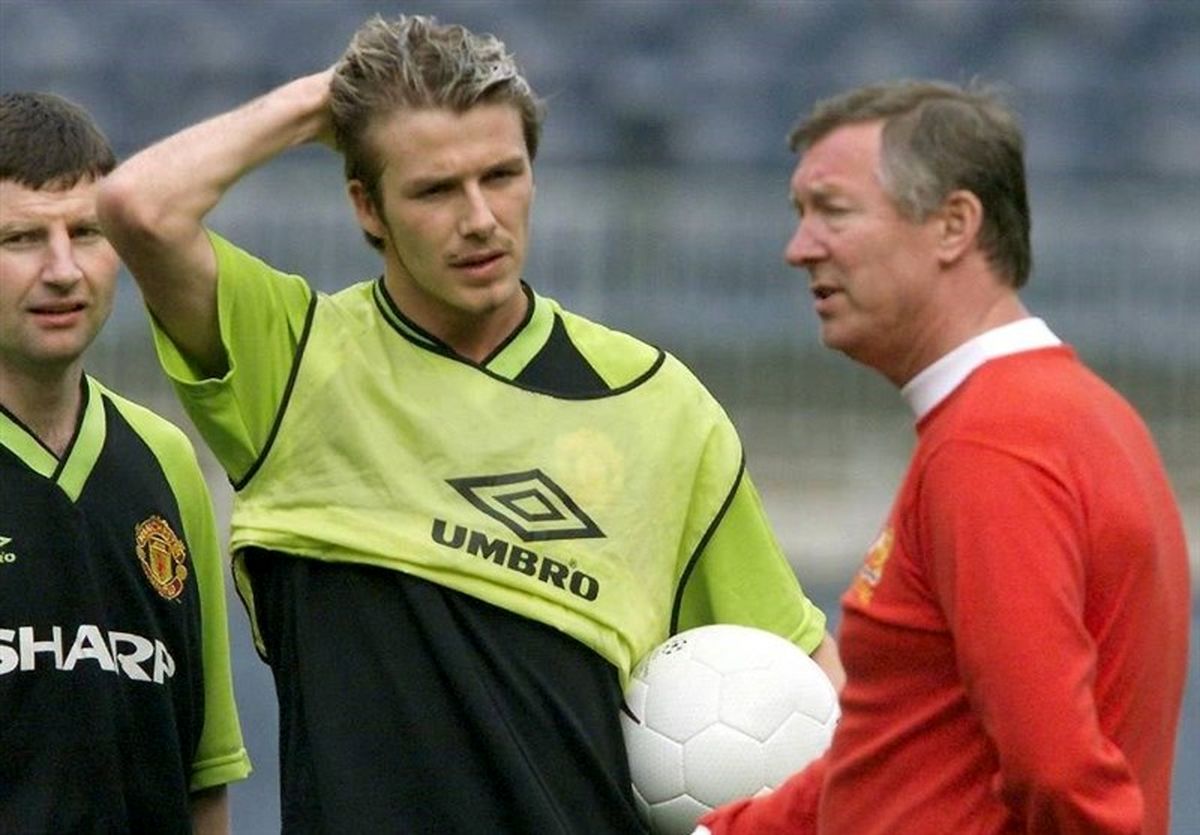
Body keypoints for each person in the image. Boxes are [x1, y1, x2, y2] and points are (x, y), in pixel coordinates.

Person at [96, 13, 842, 834]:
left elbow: (807, 674)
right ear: (367, 207)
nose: (481, 217)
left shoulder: (659, 404)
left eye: (502, 175)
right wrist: (324, 102)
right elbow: (139, 206)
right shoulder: (295, 363)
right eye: (435, 189)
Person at [697, 79, 1191, 835]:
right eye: (800, 214)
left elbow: (1059, 774)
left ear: (954, 225)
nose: (799, 249)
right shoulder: (1069, 415)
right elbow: (907, 750)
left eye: (833, 210)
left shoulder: (994, 444)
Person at [0, 92, 251, 833]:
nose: (63, 270)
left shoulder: (168, 461)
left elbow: (203, 775)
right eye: (22, 238)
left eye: (86, 232)